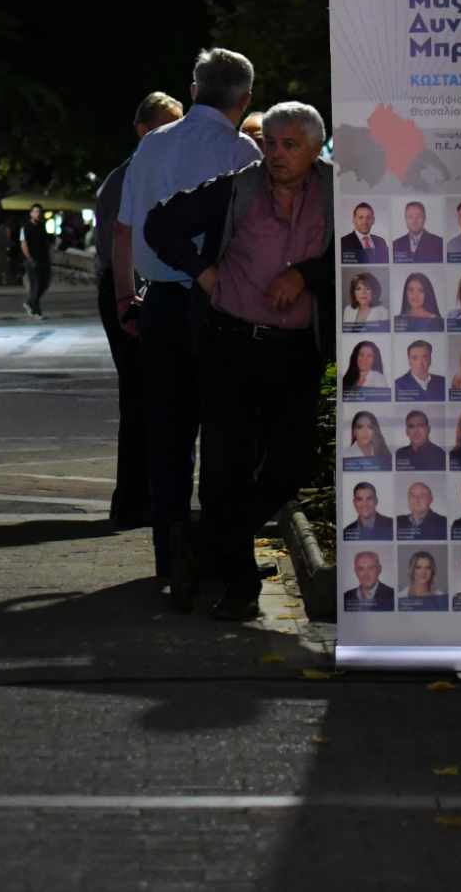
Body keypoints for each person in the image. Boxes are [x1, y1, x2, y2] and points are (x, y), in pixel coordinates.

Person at [144, 99, 332, 619]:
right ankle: (240, 587)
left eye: (289, 145)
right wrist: (203, 272)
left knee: (290, 467)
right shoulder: (238, 187)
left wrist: (305, 275)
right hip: (231, 344)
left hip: (297, 350)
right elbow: (160, 223)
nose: (276, 155)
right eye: (270, 144)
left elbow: (360, 251)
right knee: (228, 469)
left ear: (315, 149)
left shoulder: (337, 194)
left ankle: (199, 545)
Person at [116, 48, 263, 589]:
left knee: (167, 434)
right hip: (221, 304)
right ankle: (219, 556)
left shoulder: (152, 145)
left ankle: (171, 554)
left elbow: (125, 229)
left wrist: (125, 298)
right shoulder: (244, 152)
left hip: (158, 304)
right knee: (224, 435)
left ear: (195, 90)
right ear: (245, 99)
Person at [93, 92, 184, 528]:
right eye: (168, 126)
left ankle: (141, 497)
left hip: (140, 289)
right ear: (143, 130)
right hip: (129, 291)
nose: (176, 135)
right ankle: (133, 500)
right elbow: (119, 246)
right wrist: (127, 299)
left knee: (152, 396)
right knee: (140, 396)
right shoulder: (127, 178)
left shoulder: (148, 172)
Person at [20, 203, 54, 318]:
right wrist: (29, 258)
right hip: (32, 260)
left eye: (39, 212)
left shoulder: (42, 226)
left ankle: (30, 303)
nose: (38, 214)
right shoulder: (25, 227)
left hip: (43, 259)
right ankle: (35, 310)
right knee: (36, 285)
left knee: (44, 284)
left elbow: (46, 242)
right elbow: (23, 244)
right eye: (35, 212)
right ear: (31, 213)